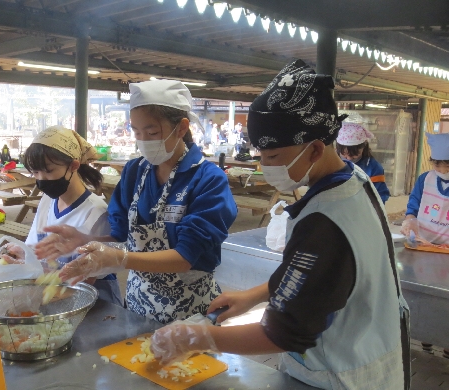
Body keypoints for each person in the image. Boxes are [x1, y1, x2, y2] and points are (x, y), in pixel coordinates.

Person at [149, 60, 410, 389]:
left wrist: (196, 337)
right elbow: (322, 278)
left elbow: (282, 333)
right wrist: (257, 294)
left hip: (341, 375)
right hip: (365, 352)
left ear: (315, 148)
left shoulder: (326, 223)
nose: (263, 165)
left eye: (272, 157)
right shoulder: (352, 178)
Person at [33, 80, 238, 324]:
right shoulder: (134, 172)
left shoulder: (207, 179)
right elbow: (120, 240)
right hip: (138, 302)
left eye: (152, 133)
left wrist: (120, 259)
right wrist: (86, 240)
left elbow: (185, 257)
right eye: (136, 132)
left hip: (190, 309)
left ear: (182, 127)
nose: (143, 141)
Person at [16, 126, 122, 305]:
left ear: (73, 165)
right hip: (52, 294)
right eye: (35, 172)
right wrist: (20, 254)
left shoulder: (96, 213)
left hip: (92, 303)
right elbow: (34, 248)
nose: (41, 179)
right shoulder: (48, 201)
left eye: (48, 171)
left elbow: (83, 282)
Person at [401, 132, 449, 245]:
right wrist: (410, 221)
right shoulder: (425, 179)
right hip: (423, 242)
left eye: (448, 167)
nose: (443, 171)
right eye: (437, 166)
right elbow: (413, 205)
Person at [336, 123, 390, 204]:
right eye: (344, 154)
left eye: (354, 155)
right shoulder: (332, 165)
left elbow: (380, 196)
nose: (349, 158)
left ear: (364, 147)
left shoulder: (374, 168)